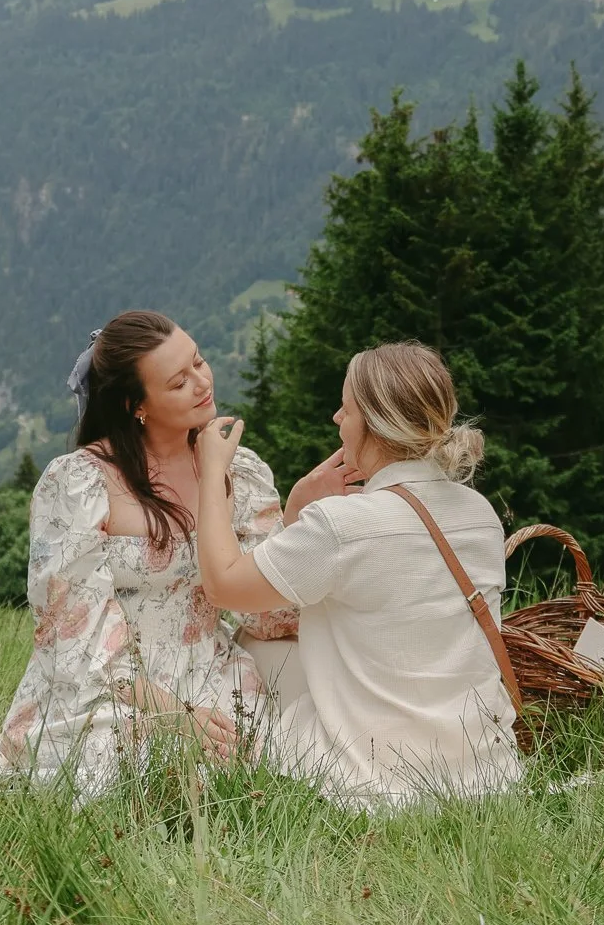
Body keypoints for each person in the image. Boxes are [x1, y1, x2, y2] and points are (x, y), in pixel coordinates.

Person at [0, 310, 339, 798]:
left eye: (199, 361)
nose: (201, 383)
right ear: (136, 405)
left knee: (277, 764)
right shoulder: (80, 483)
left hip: (211, 668)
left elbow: (268, 615)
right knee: (126, 776)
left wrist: (296, 515)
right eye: (178, 382)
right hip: (111, 683)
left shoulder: (240, 469)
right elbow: (72, 632)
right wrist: (170, 712)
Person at [195, 341, 521, 808]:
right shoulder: (480, 513)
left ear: (371, 423)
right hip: (482, 770)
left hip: (374, 776)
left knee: (253, 646)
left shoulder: (341, 525)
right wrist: (299, 509)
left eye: (346, 409)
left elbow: (223, 586)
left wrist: (211, 473)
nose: (336, 419)